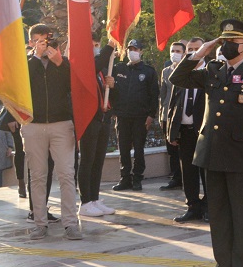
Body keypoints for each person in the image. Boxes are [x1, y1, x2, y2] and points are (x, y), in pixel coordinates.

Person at [170, 19, 243, 267]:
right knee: (217, 215)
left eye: (231, 42)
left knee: (241, 215)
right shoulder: (213, 70)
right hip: (212, 152)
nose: (225, 46)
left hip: (242, 155)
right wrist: (201, 52)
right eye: (222, 41)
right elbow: (176, 78)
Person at [23, 24, 83, 240]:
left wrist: (59, 63)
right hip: (33, 125)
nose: (43, 45)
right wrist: (36, 59)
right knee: (38, 176)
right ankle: (40, 223)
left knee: (66, 174)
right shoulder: (25, 63)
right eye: (38, 41)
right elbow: (21, 85)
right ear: (31, 43)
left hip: (61, 124)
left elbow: (74, 86)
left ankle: (70, 224)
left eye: (46, 40)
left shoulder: (61, 62)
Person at [165, 37, 207, 222]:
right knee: (188, 172)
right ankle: (192, 206)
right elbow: (173, 104)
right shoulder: (181, 74)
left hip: (204, 132)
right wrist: (171, 131)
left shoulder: (211, 72)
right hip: (185, 130)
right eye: (190, 49)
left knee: (206, 172)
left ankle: (208, 207)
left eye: (197, 48)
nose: (193, 52)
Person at [110, 39, 158, 192]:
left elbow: (153, 95)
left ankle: (137, 178)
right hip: (122, 116)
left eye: (136, 49)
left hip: (140, 117)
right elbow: (110, 87)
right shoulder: (119, 68)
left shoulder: (148, 71)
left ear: (141, 51)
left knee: (138, 149)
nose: (132, 52)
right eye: (130, 48)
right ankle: (125, 178)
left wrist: (151, 115)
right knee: (123, 148)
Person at [78, 39, 116, 218]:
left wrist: (111, 85)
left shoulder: (100, 72)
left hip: (102, 119)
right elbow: (96, 64)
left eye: (98, 45)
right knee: (87, 161)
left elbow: (106, 93)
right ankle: (85, 201)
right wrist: (111, 45)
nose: (96, 48)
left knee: (98, 161)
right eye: (93, 45)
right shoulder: (84, 66)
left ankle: (94, 198)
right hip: (89, 120)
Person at [158, 40, 186, 191]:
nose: (175, 54)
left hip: (183, 117)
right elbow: (163, 95)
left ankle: (185, 177)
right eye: (173, 51)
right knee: (171, 150)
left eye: (178, 51)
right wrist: (162, 114)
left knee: (184, 150)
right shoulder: (166, 71)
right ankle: (176, 178)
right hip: (167, 116)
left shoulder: (189, 70)